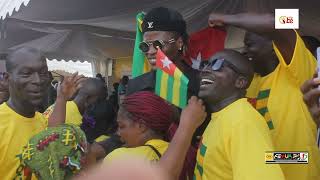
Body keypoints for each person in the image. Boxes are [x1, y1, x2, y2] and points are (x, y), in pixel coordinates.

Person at [207, 13, 320, 179]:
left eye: (249, 45)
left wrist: (227, 19)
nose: (244, 52)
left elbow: (280, 21)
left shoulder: (298, 72)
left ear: (274, 47)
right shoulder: (250, 83)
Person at [158, 49, 285, 180]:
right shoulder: (223, 116)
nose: (205, 70)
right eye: (205, 64)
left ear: (240, 82)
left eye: (217, 64)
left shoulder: (243, 121)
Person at [0, 47, 83, 180]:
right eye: (27, 74)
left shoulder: (41, 119)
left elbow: (53, 134)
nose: (38, 80)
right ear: (7, 78)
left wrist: (62, 98)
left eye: (43, 73)